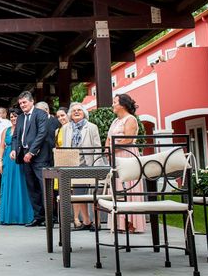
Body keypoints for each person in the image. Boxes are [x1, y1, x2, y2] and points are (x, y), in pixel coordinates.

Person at [105, 93, 145, 234]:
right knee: (117, 188)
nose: (113, 105)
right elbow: (108, 138)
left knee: (129, 187)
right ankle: (119, 223)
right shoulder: (115, 121)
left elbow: (128, 139)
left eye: (115, 102)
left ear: (122, 104)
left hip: (127, 155)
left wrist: (113, 148)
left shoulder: (130, 119)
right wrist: (107, 149)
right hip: (115, 156)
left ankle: (132, 222)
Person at [11, 91, 51, 227]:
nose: (22, 105)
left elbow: (42, 134)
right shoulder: (21, 117)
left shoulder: (41, 114)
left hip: (39, 157)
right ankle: (38, 216)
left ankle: (49, 217)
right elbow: (16, 136)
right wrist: (14, 150)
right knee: (32, 187)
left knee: (44, 187)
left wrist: (32, 152)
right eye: (20, 103)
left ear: (31, 101)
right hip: (24, 157)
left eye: (24, 102)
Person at [61, 102, 103, 230]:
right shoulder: (66, 128)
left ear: (84, 113)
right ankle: (86, 221)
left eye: (79, 110)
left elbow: (97, 147)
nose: (77, 112)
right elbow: (64, 148)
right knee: (79, 193)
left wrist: (97, 164)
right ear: (70, 115)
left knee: (94, 194)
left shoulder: (91, 127)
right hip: (73, 164)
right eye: (74, 111)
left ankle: (97, 221)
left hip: (89, 163)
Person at [0, 109, 34, 225]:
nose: (13, 119)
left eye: (15, 116)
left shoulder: (24, 128)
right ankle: (9, 216)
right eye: (11, 117)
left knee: (22, 186)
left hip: (21, 160)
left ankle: (24, 216)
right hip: (8, 161)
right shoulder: (6, 131)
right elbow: (2, 147)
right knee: (8, 185)